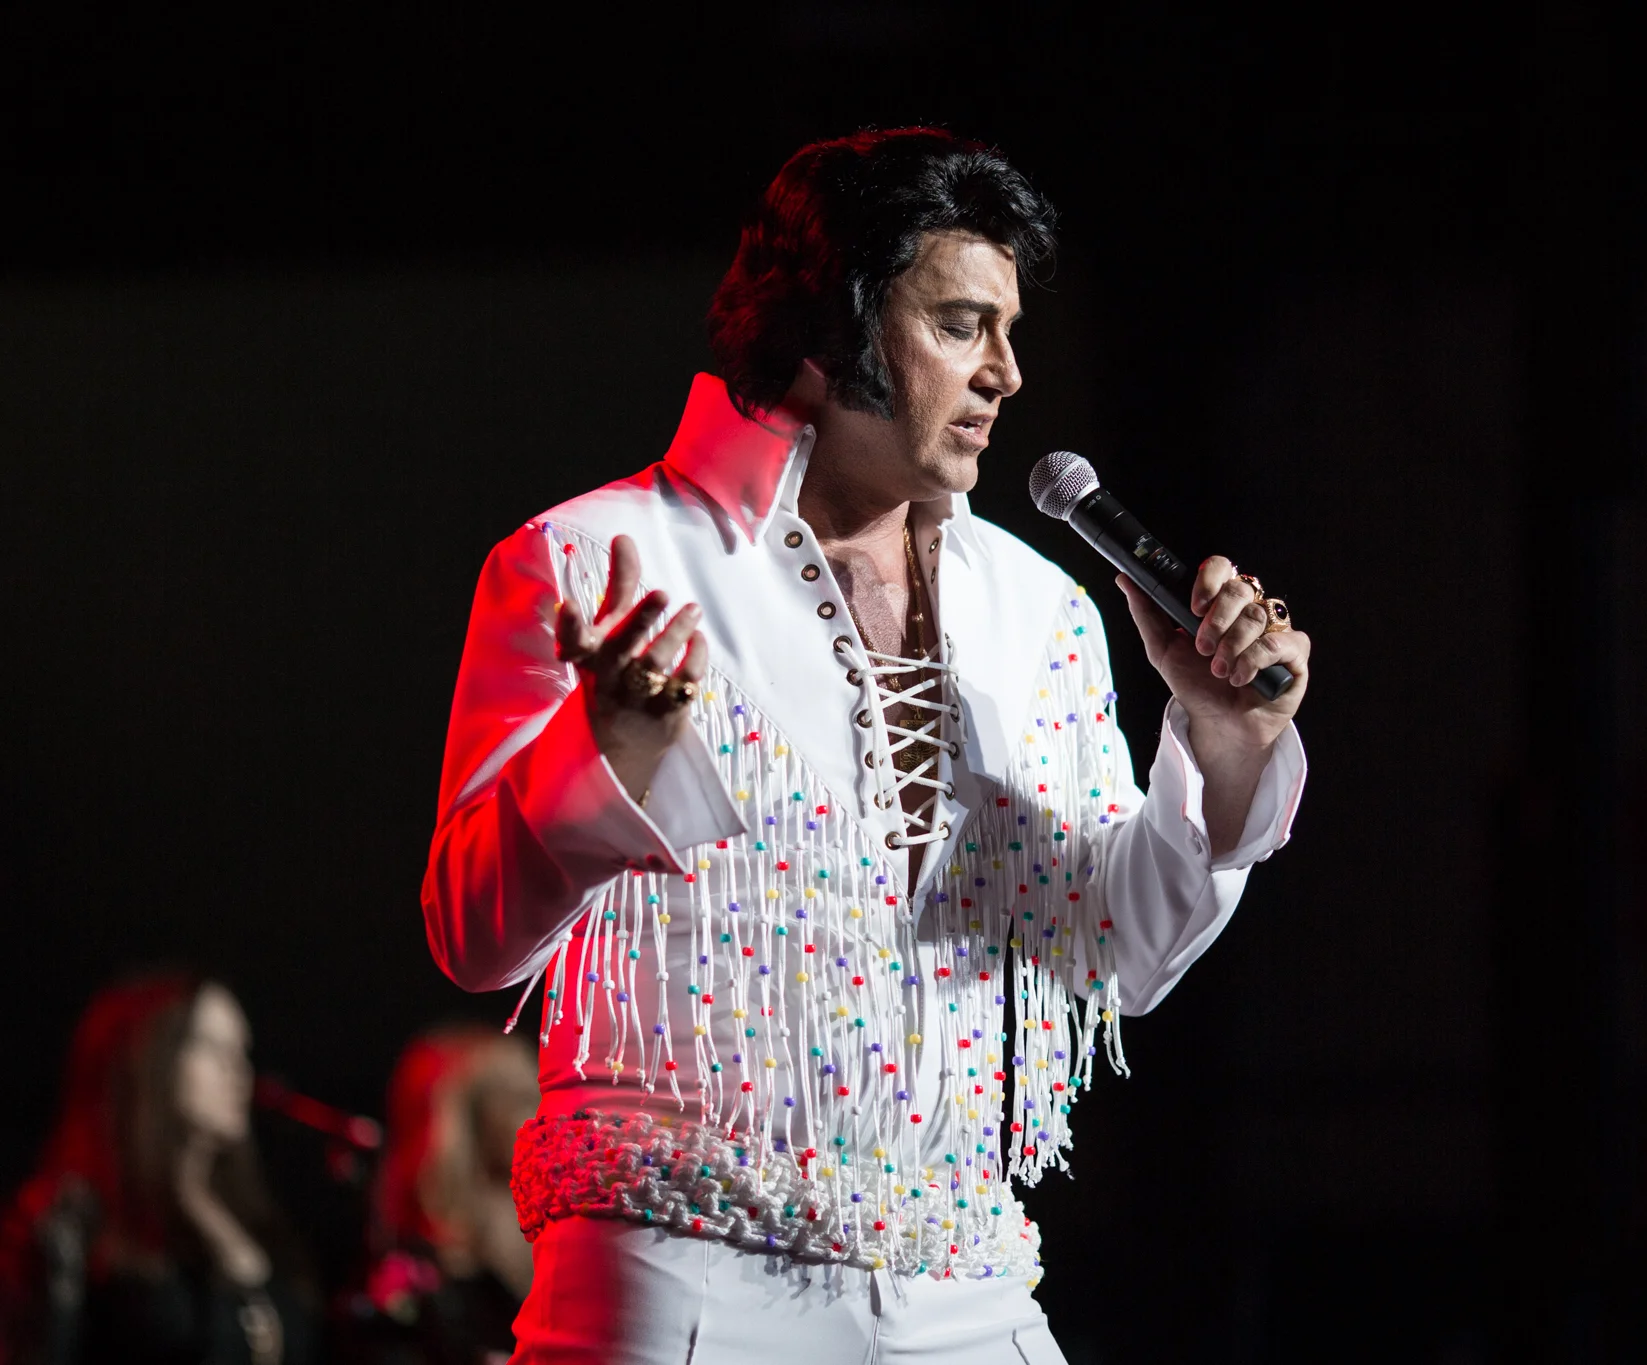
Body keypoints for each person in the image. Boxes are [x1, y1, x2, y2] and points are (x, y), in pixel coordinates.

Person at [421, 127, 1310, 1363]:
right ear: (830, 327)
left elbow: (1120, 957)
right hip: (680, 1276)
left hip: (965, 1286)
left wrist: (1223, 740)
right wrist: (602, 754)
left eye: (1008, 331)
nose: (1004, 372)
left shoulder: (1037, 606)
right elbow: (471, 938)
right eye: (958, 324)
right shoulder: (594, 560)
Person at [0, 974, 316, 1365]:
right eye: (212, 1047)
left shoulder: (255, 1217)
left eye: (241, 1050)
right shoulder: (83, 1214)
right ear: (149, 1055)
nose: (237, 1069)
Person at [335, 1028, 538, 1365]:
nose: (534, 1114)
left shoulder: (547, 1228)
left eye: (535, 1095)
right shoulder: (428, 1262)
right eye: (513, 1099)